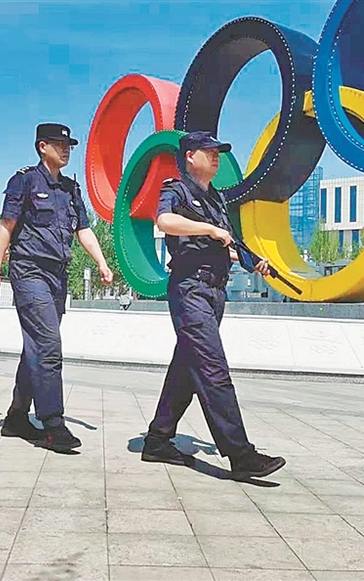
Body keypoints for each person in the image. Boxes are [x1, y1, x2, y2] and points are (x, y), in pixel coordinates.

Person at [141, 131, 286, 480]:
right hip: (190, 289)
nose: (216, 156)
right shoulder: (175, 190)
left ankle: (158, 439)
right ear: (190, 156)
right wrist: (208, 229)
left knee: (187, 369)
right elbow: (164, 221)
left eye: (218, 152)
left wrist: (250, 260)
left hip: (214, 292)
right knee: (212, 369)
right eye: (210, 151)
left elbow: (225, 246)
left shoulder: (216, 199)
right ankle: (240, 454)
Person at [0, 123, 113, 452]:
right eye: (59, 144)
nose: (66, 149)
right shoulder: (24, 181)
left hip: (58, 275)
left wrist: (101, 262)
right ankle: (53, 424)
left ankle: (16, 416)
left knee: (36, 348)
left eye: (69, 144)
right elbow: (5, 227)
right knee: (49, 346)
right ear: (42, 147)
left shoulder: (71, 189)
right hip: (29, 272)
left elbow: (83, 229)